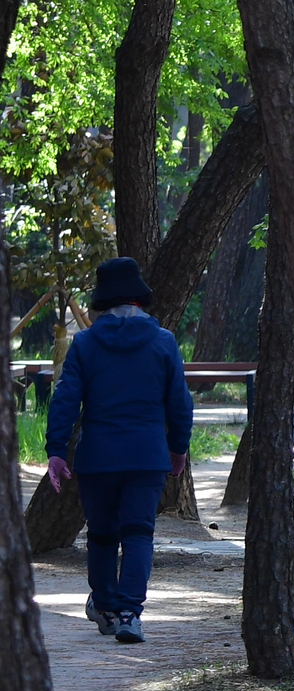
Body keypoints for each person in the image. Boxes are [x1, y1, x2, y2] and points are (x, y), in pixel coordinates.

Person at [44, 257, 193, 646]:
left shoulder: (85, 343)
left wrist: (56, 451)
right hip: (146, 454)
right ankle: (130, 613)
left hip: (98, 455)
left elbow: (65, 399)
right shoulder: (162, 341)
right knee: (139, 532)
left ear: (102, 300)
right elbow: (180, 402)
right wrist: (178, 447)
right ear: (139, 299)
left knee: (102, 535)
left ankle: (106, 607)